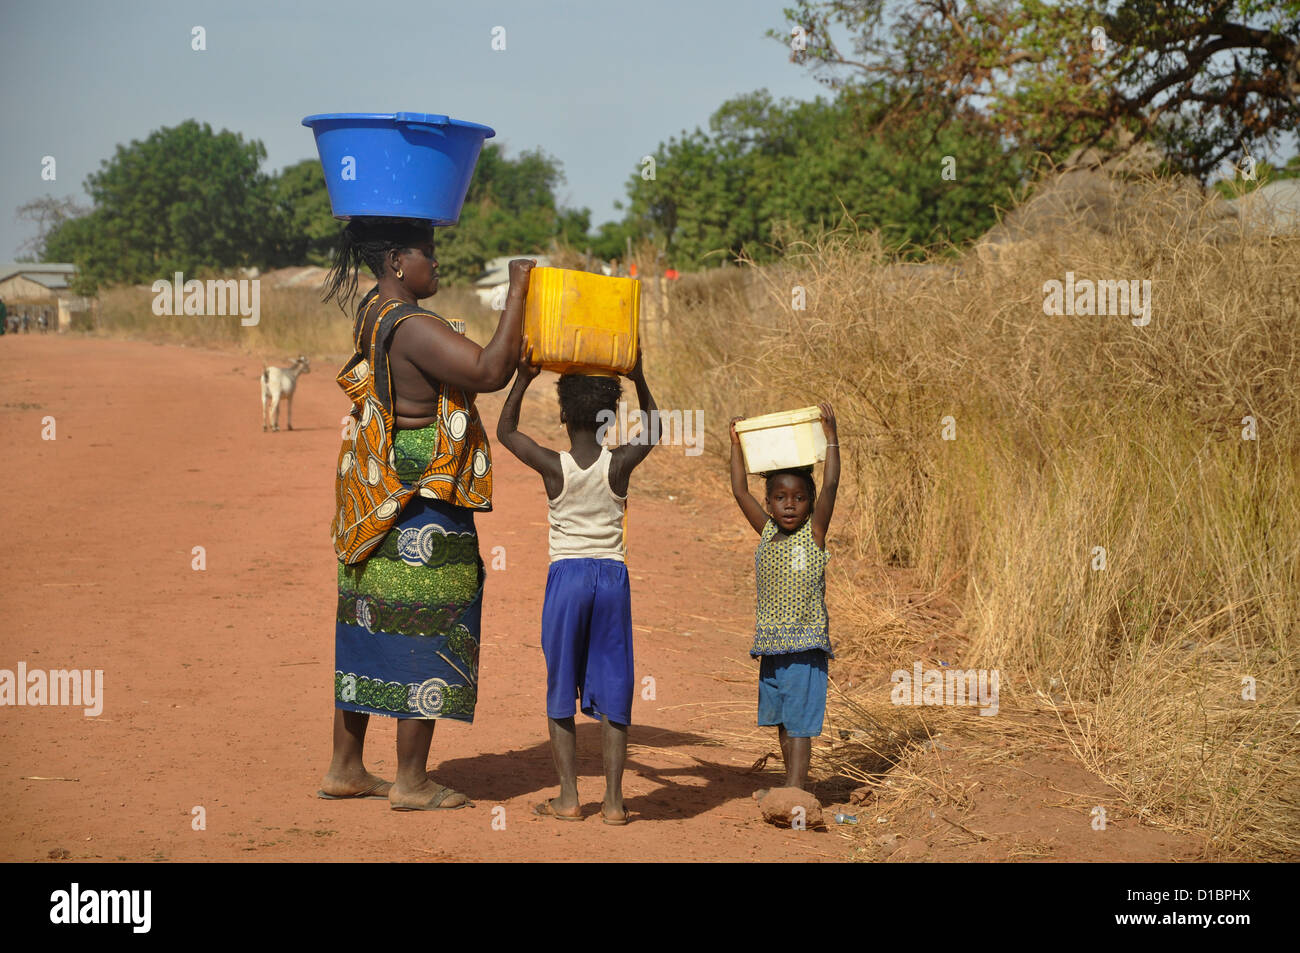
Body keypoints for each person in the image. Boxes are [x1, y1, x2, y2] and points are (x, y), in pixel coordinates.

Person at [317, 215, 534, 810]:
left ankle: (346, 767)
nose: (435, 265)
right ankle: (411, 781)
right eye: (427, 255)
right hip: (421, 493)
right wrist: (519, 289)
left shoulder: (373, 311)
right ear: (395, 263)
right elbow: (489, 370)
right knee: (428, 619)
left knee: (368, 616)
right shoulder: (411, 325)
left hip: (377, 485)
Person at [496, 341, 657, 824]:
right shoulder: (620, 463)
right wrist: (640, 375)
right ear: (610, 416)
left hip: (566, 578)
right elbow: (655, 428)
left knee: (560, 683)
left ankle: (568, 799)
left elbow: (505, 431)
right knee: (615, 685)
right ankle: (612, 802)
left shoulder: (553, 466)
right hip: (611, 577)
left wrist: (524, 377)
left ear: (563, 415)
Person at [728, 403, 839, 801]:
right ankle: (790, 784)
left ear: (809, 503)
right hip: (772, 648)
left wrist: (830, 437)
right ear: (770, 502)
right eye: (779, 497)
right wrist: (736, 444)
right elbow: (739, 489)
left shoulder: (815, 535)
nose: (789, 505)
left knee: (800, 722)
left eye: (798, 498)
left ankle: (795, 789)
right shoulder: (765, 534)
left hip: (806, 646)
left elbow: (830, 487)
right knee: (780, 719)